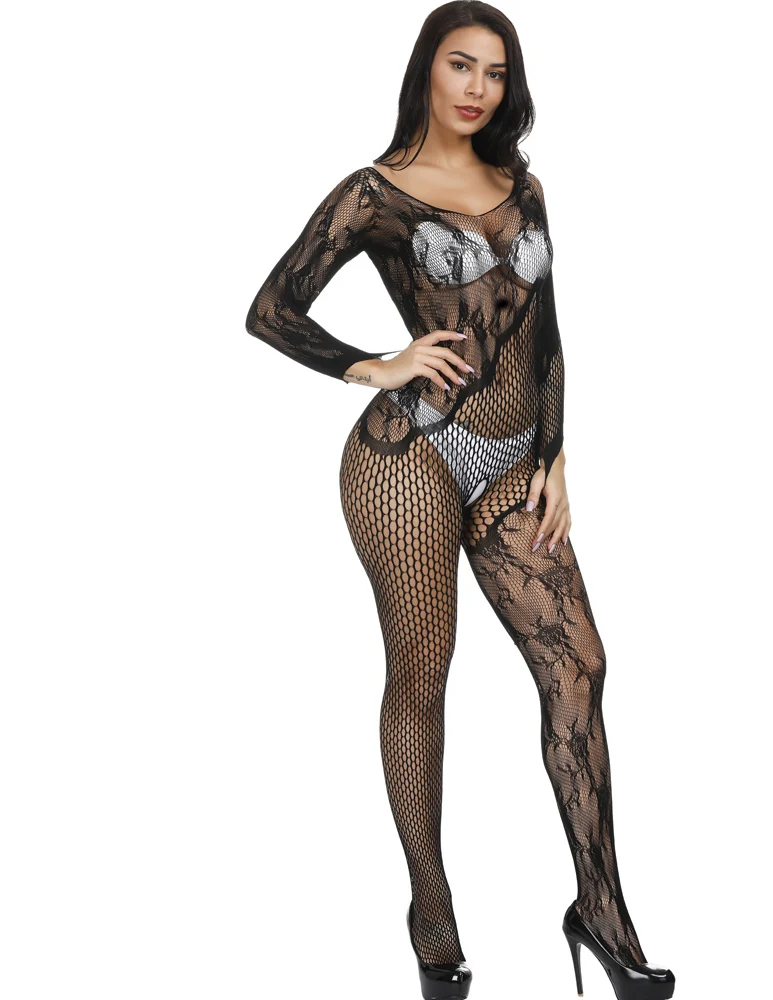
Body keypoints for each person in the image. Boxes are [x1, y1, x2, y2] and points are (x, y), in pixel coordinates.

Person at [244, 4, 675, 998]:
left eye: (495, 71)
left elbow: (548, 330)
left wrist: (554, 455)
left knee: (579, 667)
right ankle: (431, 912)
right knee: (424, 673)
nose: (478, 87)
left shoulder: (523, 186)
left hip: (518, 461)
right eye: (460, 65)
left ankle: (600, 910)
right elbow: (272, 308)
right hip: (411, 456)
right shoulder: (374, 192)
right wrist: (375, 363)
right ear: (426, 73)